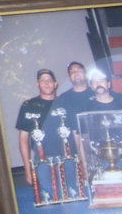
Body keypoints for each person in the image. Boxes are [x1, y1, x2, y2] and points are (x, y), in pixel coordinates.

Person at [15, 69, 82, 201]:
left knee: (74, 198)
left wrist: (81, 162)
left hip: (68, 160)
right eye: (43, 80)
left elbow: (76, 133)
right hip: (42, 162)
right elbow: (23, 138)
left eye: (49, 80)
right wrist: (28, 169)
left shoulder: (66, 103)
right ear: (37, 84)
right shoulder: (29, 106)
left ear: (55, 84)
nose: (46, 83)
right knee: (49, 201)